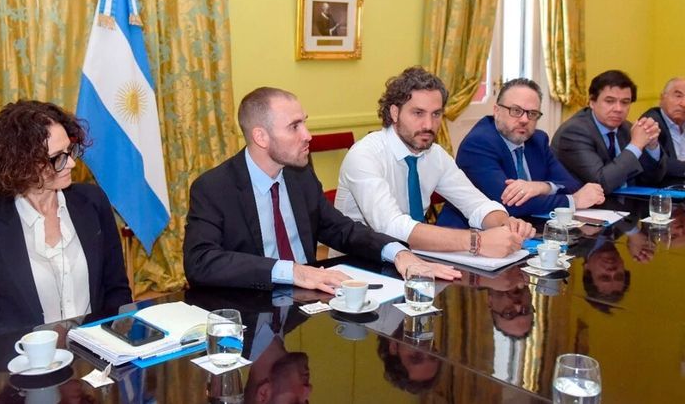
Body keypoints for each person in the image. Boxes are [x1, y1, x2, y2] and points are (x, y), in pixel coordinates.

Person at [183, 87, 460, 294]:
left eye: (304, 122)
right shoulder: (214, 188)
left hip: (308, 300)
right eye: (294, 127)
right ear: (261, 137)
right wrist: (292, 272)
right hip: (251, 305)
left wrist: (398, 253)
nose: (308, 135)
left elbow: (341, 229)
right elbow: (200, 262)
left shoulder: (299, 176)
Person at [0, 100, 132, 341]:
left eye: (71, 150)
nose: (71, 163)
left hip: (99, 353)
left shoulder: (93, 202)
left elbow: (117, 290)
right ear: (21, 164)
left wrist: (111, 343)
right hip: (25, 361)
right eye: (57, 158)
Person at [334, 66, 534, 259]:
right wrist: (476, 241)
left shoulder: (435, 154)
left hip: (417, 258)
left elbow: (476, 204)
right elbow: (391, 226)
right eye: (418, 113)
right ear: (395, 113)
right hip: (358, 264)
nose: (429, 125)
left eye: (436, 114)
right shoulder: (365, 155)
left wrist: (505, 224)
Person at [457, 78, 605, 217]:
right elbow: (510, 205)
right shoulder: (478, 143)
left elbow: (571, 184)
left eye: (532, 113)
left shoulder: (537, 140)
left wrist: (540, 187)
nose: (524, 120)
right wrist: (573, 201)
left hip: (530, 225)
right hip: (478, 231)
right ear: (496, 111)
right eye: (516, 111)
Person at [551, 70, 668, 194]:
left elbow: (652, 179)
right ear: (592, 102)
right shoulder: (574, 132)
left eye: (625, 102)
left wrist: (652, 146)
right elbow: (601, 183)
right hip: (582, 204)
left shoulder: (626, 128)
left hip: (623, 201)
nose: (618, 109)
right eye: (610, 101)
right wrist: (636, 145)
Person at [640, 77, 685, 183]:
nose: (683, 103)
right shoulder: (651, 122)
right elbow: (661, 164)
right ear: (662, 98)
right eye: (678, 96)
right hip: (662, 189)